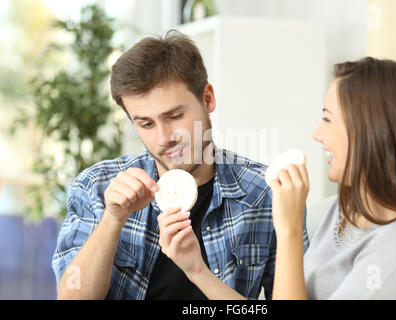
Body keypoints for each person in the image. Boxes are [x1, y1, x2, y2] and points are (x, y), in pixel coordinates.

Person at [162, 57, 396, 299]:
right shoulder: (344, 209)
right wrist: (196, 269)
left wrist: (288, 230)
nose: (317, 134)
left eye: (327, 118)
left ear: (372, 130)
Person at [51, 30, 310, 300]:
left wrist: (198, 270)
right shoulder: (96, 186)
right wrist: (112, 219)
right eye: (146, 124)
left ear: (207, 99)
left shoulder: (266, 193)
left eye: (175, 116)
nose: (164, 139)